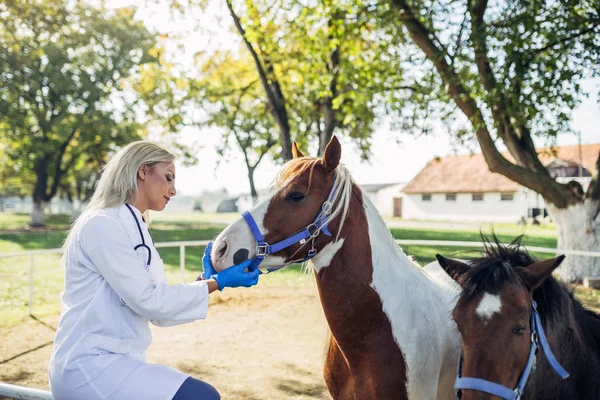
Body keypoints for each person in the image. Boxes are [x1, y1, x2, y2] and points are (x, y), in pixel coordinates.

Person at [48, 141, 260, 400]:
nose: (173, 190)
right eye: (168, 177)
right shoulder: (101, 224)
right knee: (201, 397)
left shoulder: (134, 225)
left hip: (118, 362)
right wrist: (217, 282)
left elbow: (161, 311)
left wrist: (207, 281)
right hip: (88, 366)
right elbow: (150, 301)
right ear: (142, 171)